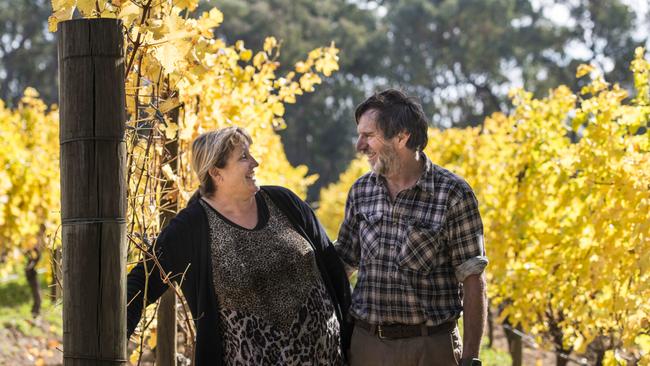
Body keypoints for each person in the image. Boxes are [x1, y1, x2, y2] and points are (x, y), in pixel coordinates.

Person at [126, 126, 351, 366]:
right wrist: (107, 344)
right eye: (243, 157)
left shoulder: (285, 203)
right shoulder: (190, 228)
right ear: (216, 173)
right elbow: (142, 283)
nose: (254, 162)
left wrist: (352, 336)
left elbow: (332, 267)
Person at [335, 89, 488, 366]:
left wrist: (471, 358)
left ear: (402, 136)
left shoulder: (452, 193)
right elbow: (341, 264)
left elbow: (473, 279)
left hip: (430, 349)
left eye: (369, 136)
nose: (359, 146)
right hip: (366, 346)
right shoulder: (361, 192)